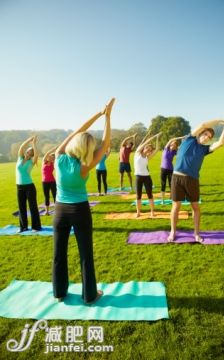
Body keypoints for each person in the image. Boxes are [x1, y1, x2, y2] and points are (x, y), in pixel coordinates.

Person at [53, 98, 115, 304]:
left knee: (59, 253)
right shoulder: (85, 166)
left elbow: (76, 132)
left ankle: (59, 293)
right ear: (87, 149)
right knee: (85, 254)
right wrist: (107, 117)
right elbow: (106, 143)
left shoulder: (58, 156)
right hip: (79, 211)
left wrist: (98, 114)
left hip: (60, 211)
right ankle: (89, 295)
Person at [167, 114, 224, 243]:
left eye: (209, 137)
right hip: (177, 177)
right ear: (201, 134)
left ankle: (196, 233)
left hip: (192, 180)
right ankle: (173, 232)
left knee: (196, 207)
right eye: (205, 135)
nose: (207, 138)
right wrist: (221, 120)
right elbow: (203, 124)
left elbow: (220, 143)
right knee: (176, 206)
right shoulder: (189, 139)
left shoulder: (204, 149)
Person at [16, 136, 42, 232]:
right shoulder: (20, 158)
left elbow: (36, 154)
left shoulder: (32, 161)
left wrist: (34, 144)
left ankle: (36, 227)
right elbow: (21, 147)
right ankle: (23, 227)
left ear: (32, 155)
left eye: (31, 152)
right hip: (19, 187)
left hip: (29, 187)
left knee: (33, 207)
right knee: (21, 207)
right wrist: (29, 140)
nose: (28, 153)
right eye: (28, 151)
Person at [134, 133, 161, 218]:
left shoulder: (147, 158)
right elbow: (146, 142)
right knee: (138, 196)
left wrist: (157, 138)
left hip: (147, 177)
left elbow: (157, 149)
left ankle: (152, 212)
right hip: (138, 177)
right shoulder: (137, 153)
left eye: (149, 150)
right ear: (143, 148)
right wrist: (153, 136)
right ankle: (138, 212)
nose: (148, 150)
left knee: (150, 195)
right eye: (147, 148)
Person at [160, 136, 185, 202]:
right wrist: (180, 138)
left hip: (170, 169)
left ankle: (172, 197)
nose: (174, 145)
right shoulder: (166, 149)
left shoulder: (174, 152)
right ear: (170, 144)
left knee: (172, 184)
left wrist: (182, 141)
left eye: (175, 145)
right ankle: (162, 199)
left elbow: (181, 148)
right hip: (163, 169)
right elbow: (171, 139)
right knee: (163, 184)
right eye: (173, 144)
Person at [42, 147, 57, 215]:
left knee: (55, 195)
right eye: (51, 157)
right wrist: (54, 149)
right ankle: (47, 211)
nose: (52, 158)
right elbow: (47, 153)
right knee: (46, 196)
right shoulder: (44, 161)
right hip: (45, 182)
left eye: (53, 158)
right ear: (48, 157)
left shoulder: (53, 164)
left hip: (52, 181)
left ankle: (58, 210)